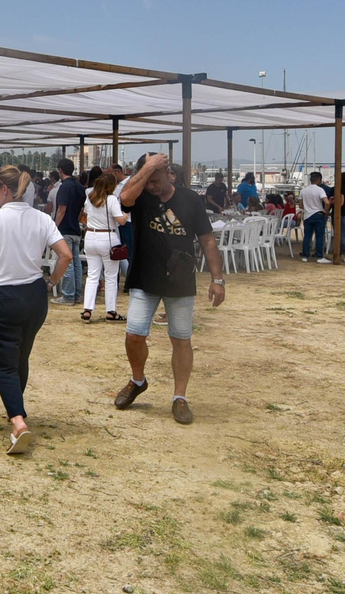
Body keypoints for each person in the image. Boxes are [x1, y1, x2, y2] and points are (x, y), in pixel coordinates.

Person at [0, 166, 70, 455]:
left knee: (5, 362)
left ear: (5, 190)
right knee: (21, 355)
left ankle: (18, 421)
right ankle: (17, 407)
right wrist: (51, 283)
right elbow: (66, 254)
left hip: (3, 295)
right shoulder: (40, 218)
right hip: (34, 293)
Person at [112, 153, 224, 426]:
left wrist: (217, 279)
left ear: (169, 175)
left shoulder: (190, 200)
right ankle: (138, 380)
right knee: (134, 334)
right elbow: (124, 198)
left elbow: (207, 240)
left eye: (157, 180)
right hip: (144, 276)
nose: (152, 186)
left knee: (181, 338)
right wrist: (148, 168)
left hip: (180, 278)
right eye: (147, 180)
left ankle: (179, 397)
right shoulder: (141, 197)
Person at [79, 170, 127, 323]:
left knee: (93, 275)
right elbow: (121, 221)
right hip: (107, 237)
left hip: (91, 237)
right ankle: (111, 311)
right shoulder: (111, 199)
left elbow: (85, 215)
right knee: (111, 276)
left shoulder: (90, 198)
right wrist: (125, 215)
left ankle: (87, 309)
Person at [51, 158, 85, 306]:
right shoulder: (79, 186)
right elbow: (81, 208)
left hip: (65, 228)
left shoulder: (65, 187)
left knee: (67, 262)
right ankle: (77, 294)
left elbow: (61, 209)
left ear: (60, 170)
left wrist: (53, 227)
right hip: (76, 228)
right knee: (76, 262)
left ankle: (68, 295)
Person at [298, 172, 329, 263]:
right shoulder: (320, 190)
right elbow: (327, 202)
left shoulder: (303, 190)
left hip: (307, 215)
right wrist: (325, 211)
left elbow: (300, 205)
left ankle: (305, 255)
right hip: (318, 214)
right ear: (319, 180)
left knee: (307, 236)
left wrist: (308, 208)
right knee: (319, 236)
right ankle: (319, 256)